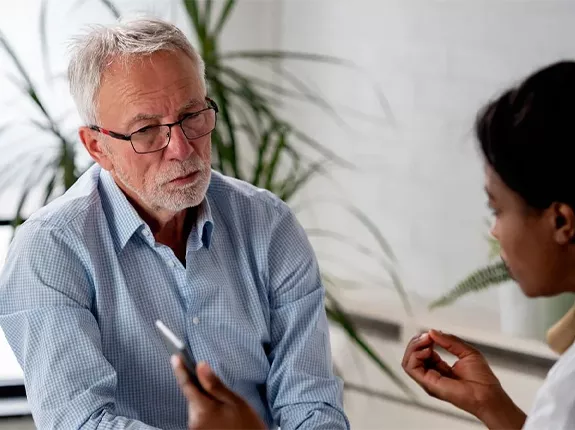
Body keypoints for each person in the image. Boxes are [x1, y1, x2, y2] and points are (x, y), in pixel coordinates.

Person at [0, 18, 348, 430]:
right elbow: (80, 423)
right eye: (146, 130)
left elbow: (313, 407)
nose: (182, 148)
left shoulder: (269, 225)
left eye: (192, 115)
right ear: (98, 147)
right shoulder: (52, 249)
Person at [402, 60, 575, 429]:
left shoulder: (570, 389)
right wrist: (489, 405)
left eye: (497, 208)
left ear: (561, 221)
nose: (494, 231)